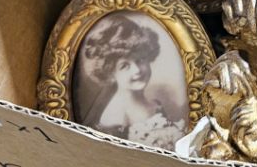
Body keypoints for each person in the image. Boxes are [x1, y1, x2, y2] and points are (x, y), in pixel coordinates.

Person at [77, 14, 186, 150]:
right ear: (110, 73)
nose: (137, 70)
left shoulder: (154, 103)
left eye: (140, 60)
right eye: (124, 66)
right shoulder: (115, 117)